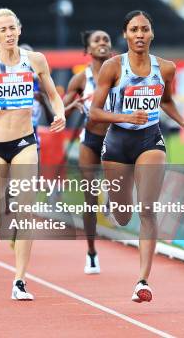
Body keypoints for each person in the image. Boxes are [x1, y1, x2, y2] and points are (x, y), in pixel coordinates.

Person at [90, 10, 184, 302]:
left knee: (147, 209)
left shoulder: (165, 68)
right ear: (125, 35)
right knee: (122, 215)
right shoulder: (113, 67)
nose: (139, 34)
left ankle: (142, 281)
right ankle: (112, 195)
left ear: (152, 34)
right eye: (133, 30)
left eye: (144, 29)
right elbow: (95, 113)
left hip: (150, 139)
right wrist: (125, 115)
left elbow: (165, 100)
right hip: (116, 143)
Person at [0, 8, 66, 300]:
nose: (8, 34)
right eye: (2, 30)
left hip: (24, 142)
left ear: (19, 30)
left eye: (12, 28)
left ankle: (20, 280)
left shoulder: (35, 61)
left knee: (26, 214)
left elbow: (52, 94)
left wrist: (58, 113)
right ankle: (5, 207)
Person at [62, 30, 112, 274]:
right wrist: (74, 104)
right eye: (97, 41)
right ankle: (91, 252)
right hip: (90, 139)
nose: (102, 43)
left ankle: (112, 192)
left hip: (116, 139)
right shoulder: (80, 80)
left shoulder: (123, 74)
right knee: (89, 198)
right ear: (88, 50)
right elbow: (60, 114)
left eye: (106, 40)